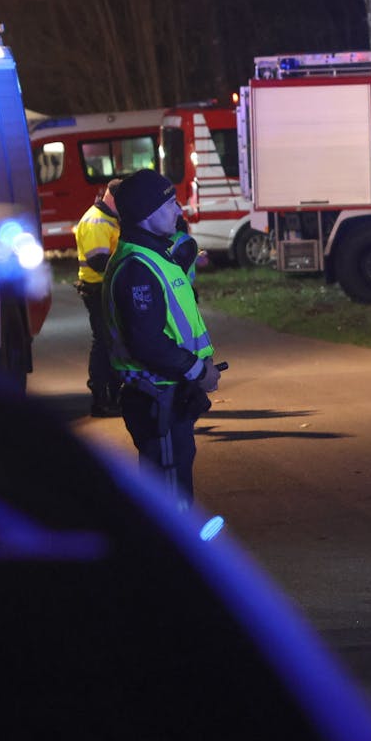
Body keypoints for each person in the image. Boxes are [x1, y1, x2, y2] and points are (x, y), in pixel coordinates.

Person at [103, 168, 220, 507]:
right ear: (147, 214)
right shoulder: (139, 266)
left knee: (172, 486)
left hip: (169, 394)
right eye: (170, 204)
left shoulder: (153, 256)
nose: (178, 211)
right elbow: (148, 343)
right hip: (159, 398)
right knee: (172, 500)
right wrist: (199, 371)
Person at [74, 178, 125, 417]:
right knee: (104, 344)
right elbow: (98, 261)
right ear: (112, 198)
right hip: (97, 290)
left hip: (104, 289)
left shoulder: (109, 218)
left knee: (111, 342)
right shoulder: (96, 221)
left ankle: (111, 395)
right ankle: (101, 399)